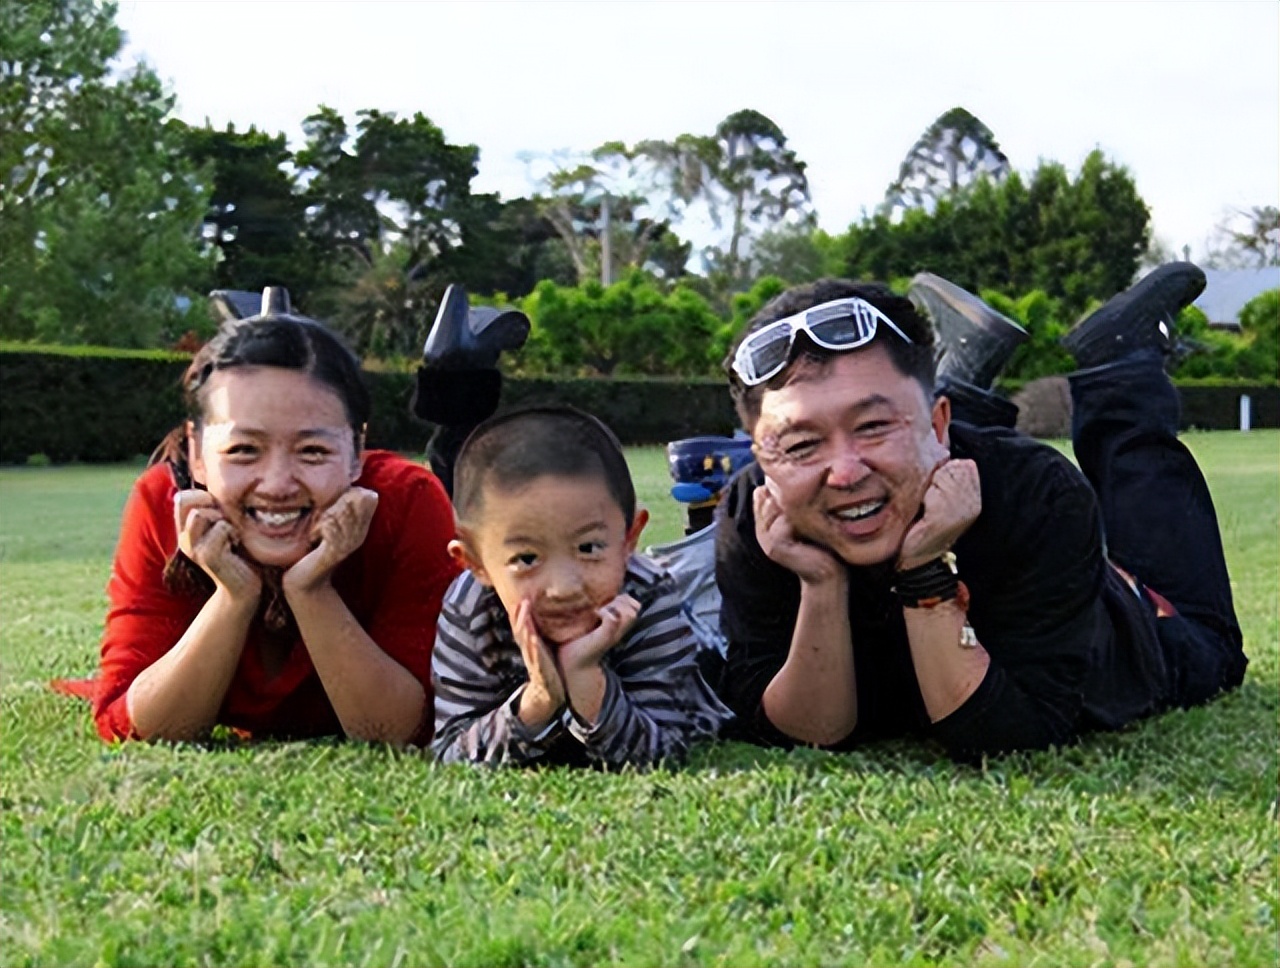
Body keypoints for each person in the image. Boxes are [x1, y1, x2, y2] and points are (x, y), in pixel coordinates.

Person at [712, 263, 1247, 760]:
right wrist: (820, 585)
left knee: (1213, 652)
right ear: (762, 458)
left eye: (873, 425)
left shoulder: (1035, 492)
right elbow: (807, 733)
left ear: (937, 422)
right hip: (945, 488)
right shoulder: (754, 514)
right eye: (802, 445)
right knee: (900, 467)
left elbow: (1005, 735)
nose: (844, 472)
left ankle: (1121, 362)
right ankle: (959, 368)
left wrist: (923, 571)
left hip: (1113, 617)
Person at [90, 288, 466, 744]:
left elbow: (400, 732)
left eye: (312, 451)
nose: (277, 484)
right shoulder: (163, 504)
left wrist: (311, 589)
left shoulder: (406, 501)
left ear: (355, 453)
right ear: (198, 453)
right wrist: (233, 596)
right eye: (244, 450)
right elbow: (138, 727)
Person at [431, 406, 732, 768]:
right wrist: (539, 700)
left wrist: (586, 677)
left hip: (701, 661)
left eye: (589, 549)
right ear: (475, 562)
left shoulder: (647, 597)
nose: (563, 587)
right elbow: (451, 752)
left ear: (629, 539)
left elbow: (665, 750)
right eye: (526, 558)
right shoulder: (469, 609)